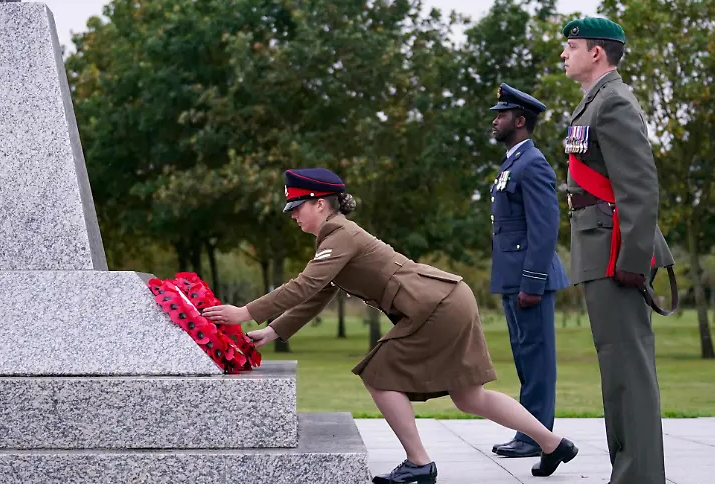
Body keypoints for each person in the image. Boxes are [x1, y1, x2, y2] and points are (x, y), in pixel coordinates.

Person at [202, 168, 579, 484]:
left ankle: (419, 464)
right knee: (469, 397)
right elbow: (320, 292)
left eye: (296, 207)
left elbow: (306, 285)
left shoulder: (340, 235)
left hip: (435, 307)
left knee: (379, 374)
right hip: (447, 300)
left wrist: (245, 312)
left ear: (320, 203)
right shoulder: (336, 238)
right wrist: (274, 330)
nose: (293, 215)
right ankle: (554, 444)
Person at [559, 17, 676, 484]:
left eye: (571, 46)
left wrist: (631, 262)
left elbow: (641, 189)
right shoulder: (596, 101)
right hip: (598, 245)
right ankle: (628, 472)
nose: (563, 55)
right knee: (617, 372)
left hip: (614, 253)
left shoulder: (614, 103)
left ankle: (639, 476)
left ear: (597, 53)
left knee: (629, 370)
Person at [487, 84, 570, 459]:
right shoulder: (513, 162)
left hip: (528, 278)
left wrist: (532, 281)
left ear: (520, 121)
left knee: (536, 360)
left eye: (501, 115)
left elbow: (544, 226)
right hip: (513, 276)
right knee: (524, 358)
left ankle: (537, 437)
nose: (495, 120)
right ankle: (529, 432)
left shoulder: (533, 163)